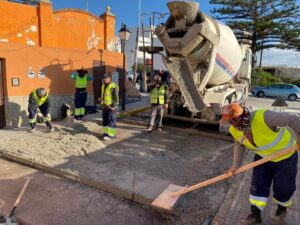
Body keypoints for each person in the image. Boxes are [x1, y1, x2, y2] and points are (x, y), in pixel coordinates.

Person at [220, 103, 299, 225]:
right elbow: (239, 144)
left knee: (284, 187)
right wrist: (235, 166)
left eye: (230, 121)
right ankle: (255, 216)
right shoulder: (235, 129)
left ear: (238, 118)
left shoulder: (264, 117)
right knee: (257, 185)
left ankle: (281, 211)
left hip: (285, 157)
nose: (229, 124)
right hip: (263, 157)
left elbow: (293, 119)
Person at [99, 73, 119, 141]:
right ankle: (105, 133)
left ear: (110, 78)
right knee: (105, 120)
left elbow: (115, 97)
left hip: (111, 106)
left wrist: (114, 106)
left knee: (111, 120)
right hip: (105, 106)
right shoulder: (103, 86)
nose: (105, 80)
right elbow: (103, 96)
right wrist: (101, 101)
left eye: (106, 78)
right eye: (104, 79)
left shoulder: (113, 86)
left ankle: (111, 135)